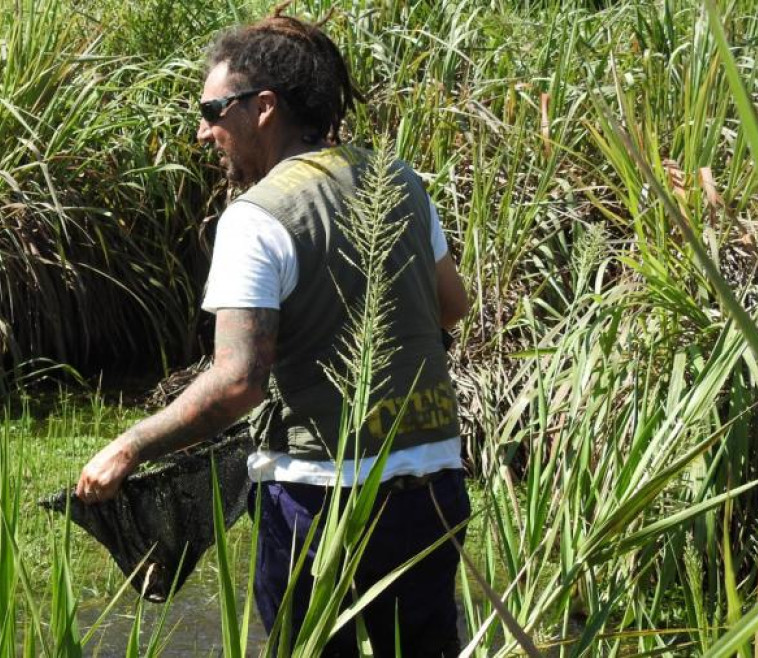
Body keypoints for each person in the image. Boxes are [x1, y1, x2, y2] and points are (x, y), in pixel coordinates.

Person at [77, 7, 471, 656]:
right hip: (432, 485)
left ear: (262, 107)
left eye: (211, 112)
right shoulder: (399, 181)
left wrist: (129, 447)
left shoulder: (256, 219)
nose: (204, 133)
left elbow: (238, 383)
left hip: (324, 503)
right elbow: (451, 307)